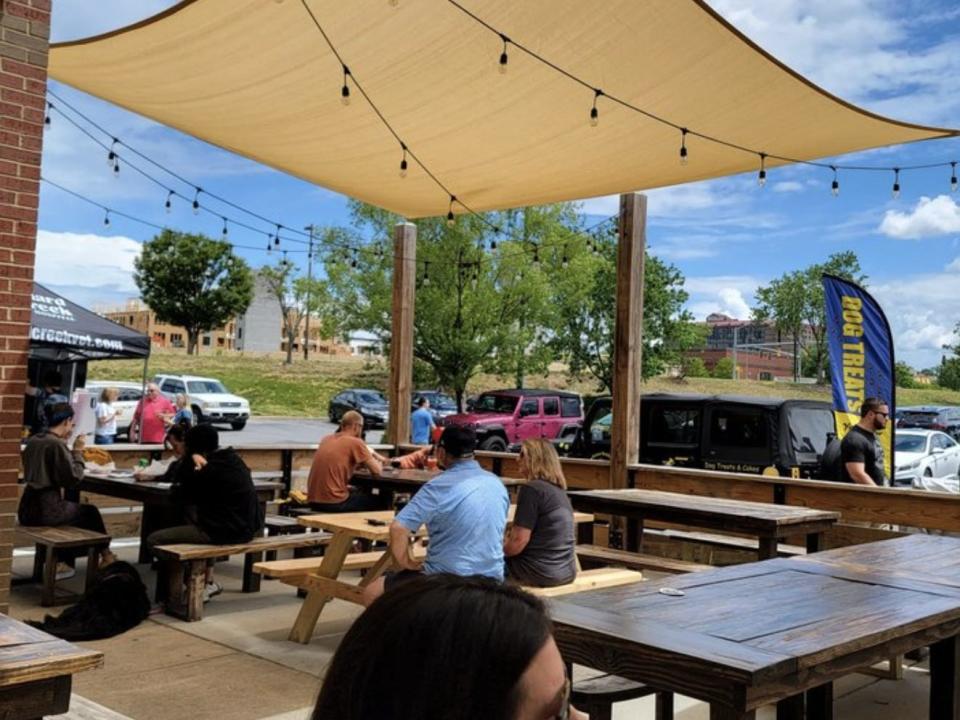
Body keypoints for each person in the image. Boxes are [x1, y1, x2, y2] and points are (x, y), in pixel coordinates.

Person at [313, 574, 586, 720]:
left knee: (375, 588)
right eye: (556, 715)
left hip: (457, 589)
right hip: (481, 584)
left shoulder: (433, 491)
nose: (584, 718)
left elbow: (400, 539)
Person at [362, 426, 509, 605]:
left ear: (441, 452)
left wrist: (404, 565)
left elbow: (398, 528)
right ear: (473, 452)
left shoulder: (438, 486)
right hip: (493, 579)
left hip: (449, 580)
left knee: (371, 592)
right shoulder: (496, 484)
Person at [146, 425, 263, 601]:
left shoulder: (206, 468)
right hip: (246, 527)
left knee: (154, 540)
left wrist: (188, 459)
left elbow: (179, 495)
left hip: (223, 531)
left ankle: (189, 584)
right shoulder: (232, 460)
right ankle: (206, 582)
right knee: (193, 521)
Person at [19, 402, 116, 575]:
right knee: (90, 512)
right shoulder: (55, 444)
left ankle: (67, 560)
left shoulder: (34, 440)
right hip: (47, 509)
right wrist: (77, 452)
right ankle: (103, 556)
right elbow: (74, 478)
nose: (72, 426)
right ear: (66, 421)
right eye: (72, 423)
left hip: (27, 508)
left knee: (76, 512)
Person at [504, 439, 577, 587]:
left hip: (539, 573)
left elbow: (518, 542)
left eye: (522, 454)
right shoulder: (559, 491)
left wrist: (495, 551)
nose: (517, 459)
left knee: (481, 567)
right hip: (566, 572)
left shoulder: (531, 489)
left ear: (535, 458)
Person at [307, 410, 384, 511]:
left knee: (359, 494)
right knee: (382, 501)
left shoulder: (326, 439)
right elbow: (377, 471)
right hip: (334, 502)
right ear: (356, 426)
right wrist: (379, 464)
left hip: (313, 500)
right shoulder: (355, 442)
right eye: (361, 427)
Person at [840, 397, 889, 486]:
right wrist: (878, 494)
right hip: (862, 497)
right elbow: (857, 474)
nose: (887, 418)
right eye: (884, 415)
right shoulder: (854, 440)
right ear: (870, 414)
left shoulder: (873, 435)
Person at [25, 369, 66, 435]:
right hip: (56, 432)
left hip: (42, 431)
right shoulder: (64, 397)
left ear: (47, 382)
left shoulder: (43, 393)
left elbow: (27, 389)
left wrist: (26, 381)